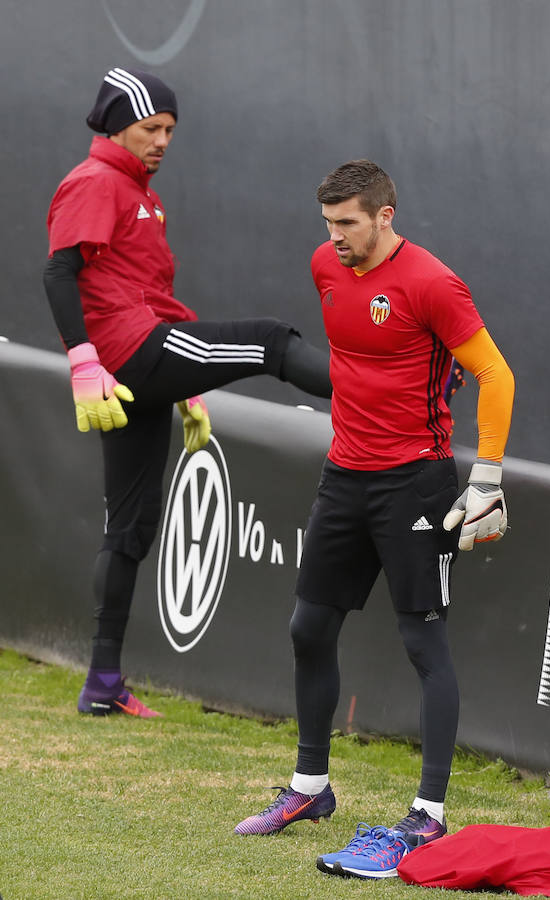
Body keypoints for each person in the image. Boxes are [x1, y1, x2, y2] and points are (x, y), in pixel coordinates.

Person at [234, 160, 514, 881]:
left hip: (414, 484)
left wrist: (486, 475)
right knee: (307, 627)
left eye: (348, 224)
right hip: (343, 475)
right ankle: (308, 790)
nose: (334, 239)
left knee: (423, 643)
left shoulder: (432, 283)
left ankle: (428, 813)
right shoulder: (325, 266)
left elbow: (494, 373)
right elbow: (366, 358)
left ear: (385, 216)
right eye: (327, 224)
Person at [43, 67, 331, 719]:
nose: (164, 140)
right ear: (119, 125)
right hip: (126, 355)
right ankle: (381, 390)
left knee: (130, 528)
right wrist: (82, 359)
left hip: (139, 357)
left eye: (171, 130)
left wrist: (186, 388)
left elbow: (152, 294)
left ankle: (102, 684)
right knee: (267, 342)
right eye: (152, 128)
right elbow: (60, 272)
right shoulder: (95, 182)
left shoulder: (140, 193)